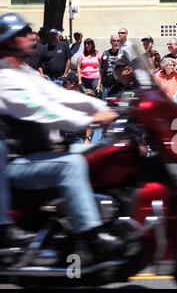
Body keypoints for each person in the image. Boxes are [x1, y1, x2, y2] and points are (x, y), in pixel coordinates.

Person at [0, 13, 123, 257]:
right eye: (23, 32)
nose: (31, 35)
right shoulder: (5, 78)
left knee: (106, 154)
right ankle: (92, 236)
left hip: (40, 154)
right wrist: (90, 120)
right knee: (71, 165)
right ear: (11, 41)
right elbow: (44, 111)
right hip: (19, 163)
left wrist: (104, 108)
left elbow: (62, 96)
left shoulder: (25, 73)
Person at [100, 34, 125, 100]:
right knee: (105, 105)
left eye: (118, 41)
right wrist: (98, 84)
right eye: (114, 41)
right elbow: (101, 70)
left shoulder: (123, 54)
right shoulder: (105, 53)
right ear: (110, 42)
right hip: (107, 85)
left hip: (119, 86)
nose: (116, 43)